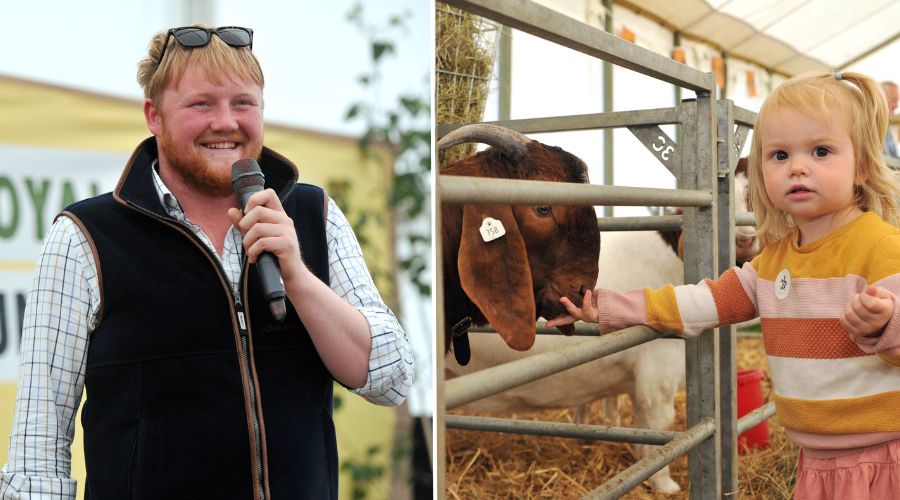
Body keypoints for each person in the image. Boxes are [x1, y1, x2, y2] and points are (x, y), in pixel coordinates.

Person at [0, 25, 413, 499]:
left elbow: (392, 379)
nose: (226, 122)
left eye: (243, 103)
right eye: (201, 104)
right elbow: (38, 445)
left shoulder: (313, 215)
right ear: (154, 116)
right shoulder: (85, 237)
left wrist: (296, 275)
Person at [548, 71, 900, 499]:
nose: (798, 167)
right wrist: (609, 306)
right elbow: (704, 301)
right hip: (816, 463)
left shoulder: (882, 246)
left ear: (862, 164)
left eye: (821, 151)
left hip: (883, 461)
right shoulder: (773, 261)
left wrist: (887, 326)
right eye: (779, 155)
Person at [881, 80, 898, 158]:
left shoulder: (885, 126)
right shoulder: (867, 127)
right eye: (893, 100)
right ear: (880, 98)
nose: (896, 106)